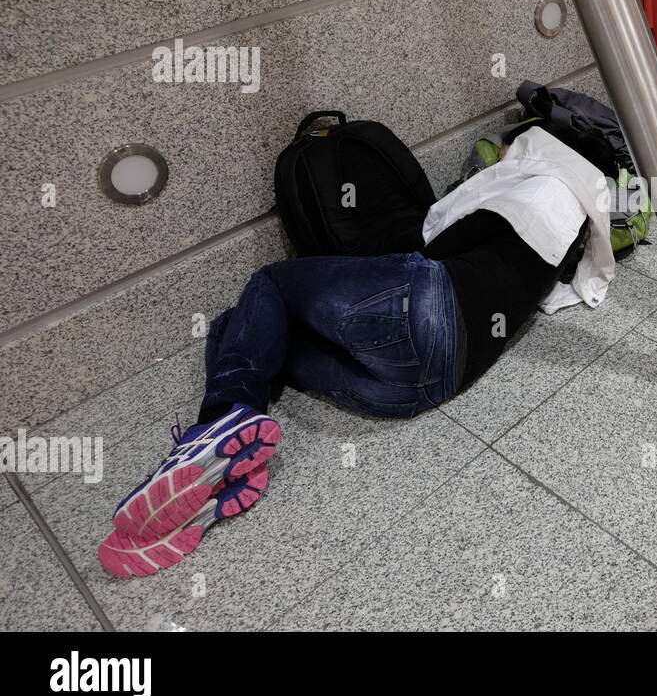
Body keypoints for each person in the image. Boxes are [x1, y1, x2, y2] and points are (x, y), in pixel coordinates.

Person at [100, 126, 614, 577]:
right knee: (242, 329)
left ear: (537, 149)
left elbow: (428, 246)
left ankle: (214, 426)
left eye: (506, 150)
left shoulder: (532, 189)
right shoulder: (571, 227)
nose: (497, 159)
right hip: (420, 389)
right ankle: (220, 470)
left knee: (271, 286)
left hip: (421, 312)